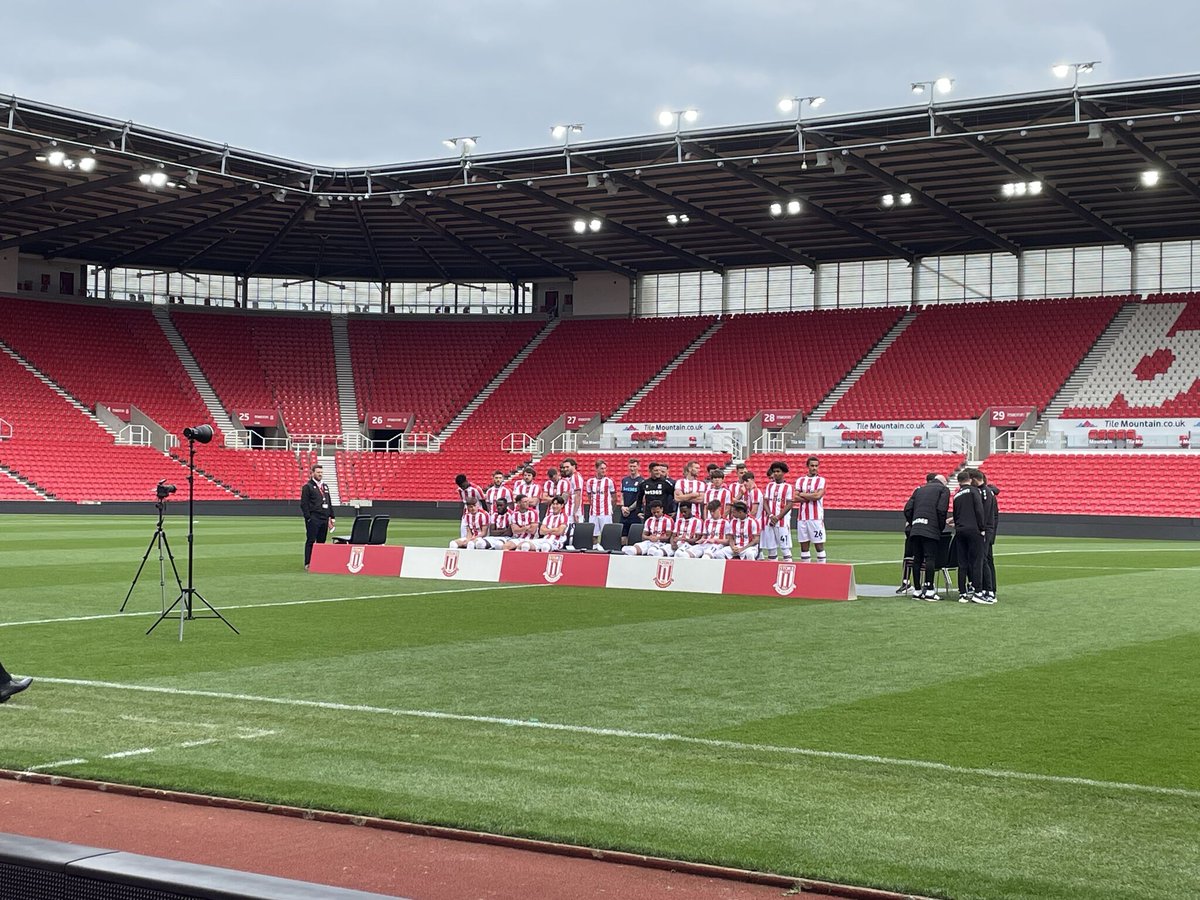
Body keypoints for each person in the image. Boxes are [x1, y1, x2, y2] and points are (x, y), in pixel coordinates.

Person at [903, 473, 950, 601]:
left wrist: (913, 522)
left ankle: (917, 590)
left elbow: (907, 509)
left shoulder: (919, 490)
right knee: (930, 558)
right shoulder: (943, 490)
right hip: (931, 529)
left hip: (916, 528)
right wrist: (939, 526)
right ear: (943, 482)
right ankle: (929, 589)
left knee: (917, 559)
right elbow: (941, 510)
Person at [952, 470, 988, 604]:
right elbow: (979, 509)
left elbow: (955, 514)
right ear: (969, 479)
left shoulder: (956, 495)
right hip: (973, 530)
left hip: (960, 530)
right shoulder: (974, 491)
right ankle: (977, 592)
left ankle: (962, 594)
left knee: (962, 563)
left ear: (959, 482)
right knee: (976, 561)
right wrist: (982, 528)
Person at [971, 469, 1000, 604]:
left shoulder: (984, 493)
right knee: (986, 559)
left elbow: (983, 513)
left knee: (983, 560)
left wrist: (982, 529)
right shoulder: (988, 492)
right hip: (989, 530)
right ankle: (989, 589)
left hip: (984, 530)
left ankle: (987, 590)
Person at [300, 463, 335, 569]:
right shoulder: (307, 487)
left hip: (324, 518)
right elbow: (304, 504)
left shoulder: (325, 486)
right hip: (314, 517)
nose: (320, 474)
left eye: (321, 472)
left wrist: (332, 516)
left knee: (321, 541)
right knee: (311, 540)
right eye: (318, 472)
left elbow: (329, 501)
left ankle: (319, 562)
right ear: (312, 473)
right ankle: (308, 562)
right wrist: (308, 517)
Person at [794, 456, 827, 563]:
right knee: (804, 546)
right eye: (812, 466)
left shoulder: (821, 480)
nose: (814, 468)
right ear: (807, 466)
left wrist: (802, 494)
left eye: (816, 466)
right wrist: (811, 496)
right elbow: (795, 497)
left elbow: (817, 496)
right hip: (802, 518)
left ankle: (821, 569)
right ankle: (806, 569)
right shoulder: (800, 480)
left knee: (819, 546)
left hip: (816, 518)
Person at [760, 462, 793, 561]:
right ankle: (772, 568)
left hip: (782, 522)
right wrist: (770, 515)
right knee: (771, 550)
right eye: (774, 471)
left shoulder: (788, 487)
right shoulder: (770, 486)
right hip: (769, 521)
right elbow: (765, 502)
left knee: (785, 549)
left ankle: (788, 568)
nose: (776, 474)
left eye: (778, 471)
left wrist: (778, 517)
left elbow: (789, 504)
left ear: (783, 472)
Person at [584, 459, 617, 545]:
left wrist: (610, 509)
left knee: (607, 534)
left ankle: (607, 549)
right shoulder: (590, 482)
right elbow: (589, 496)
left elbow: (614, 498)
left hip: (605, 513)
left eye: (605, 468)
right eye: (602, 468)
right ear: (596, 469)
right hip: (593, 513)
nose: (604, 470)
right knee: (593, 535)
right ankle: (595, 549)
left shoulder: (609, 481)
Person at [619, 458, 644, 541]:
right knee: (623, 537)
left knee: (634, 537)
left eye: (634, 466)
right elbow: (622, 495)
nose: (632, 468)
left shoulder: (642, 481)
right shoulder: (624, 480)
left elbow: (641, 499)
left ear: (638, 467)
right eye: (631, 466)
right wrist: (623, 507)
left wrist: (629, 509)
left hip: (635, 513)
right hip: (624, 513)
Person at [454, 474, 485, 538]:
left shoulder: (476, 489)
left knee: (478, 535)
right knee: (464, 535)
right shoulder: (460, 490)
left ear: (466, 481)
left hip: (478, 515)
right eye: (460, 486)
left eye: (462, 486)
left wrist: (485, 514)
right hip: (466, 515)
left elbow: (483, 501)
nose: (462, 488)